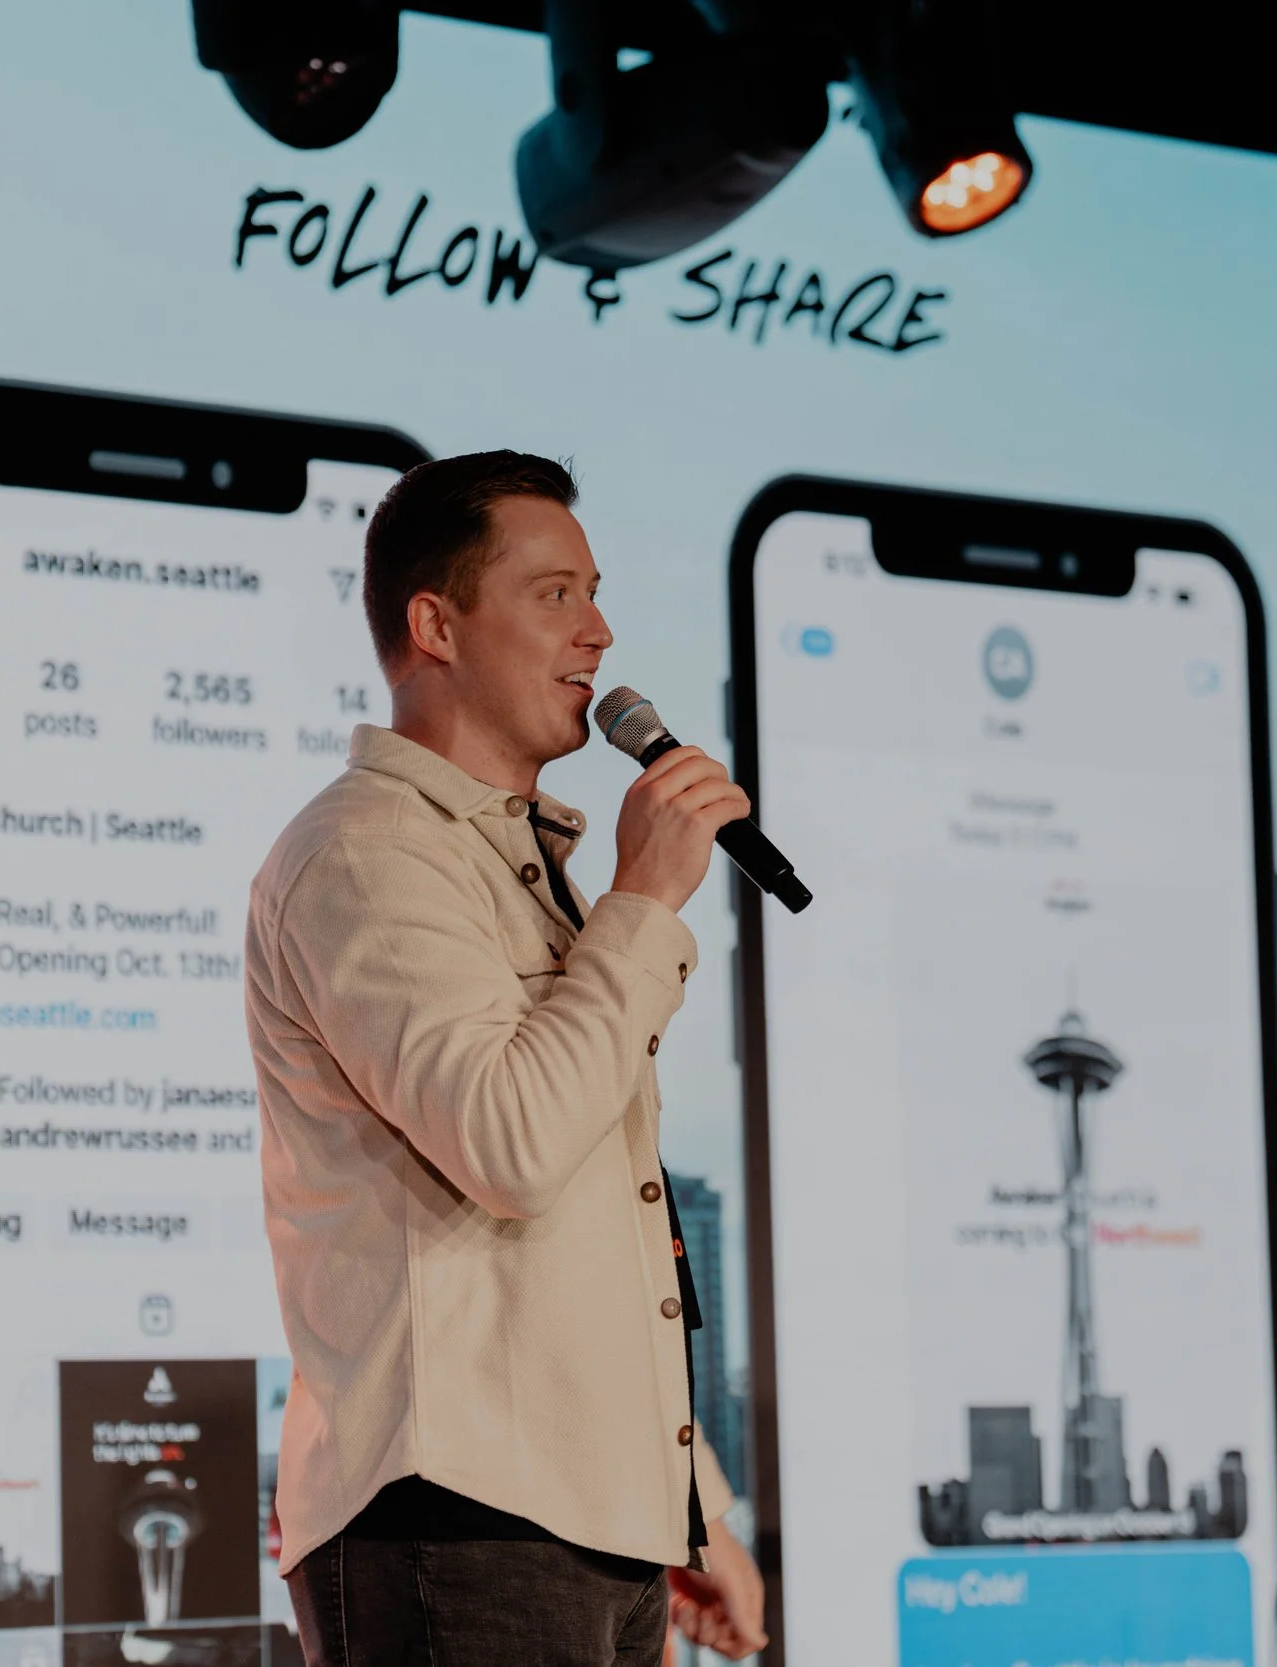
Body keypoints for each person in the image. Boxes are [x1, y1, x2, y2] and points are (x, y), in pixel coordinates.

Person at [245, 452, 768, 1665]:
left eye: (594, 592)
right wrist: (644, 899)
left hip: (578, 1520)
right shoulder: (367, 854)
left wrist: (694, 1504)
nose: (600, 629)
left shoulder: (512, 861)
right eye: (554, 594)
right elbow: (513, 1144)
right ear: (435, 622)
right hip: (457, 1524)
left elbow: (588, 1234)